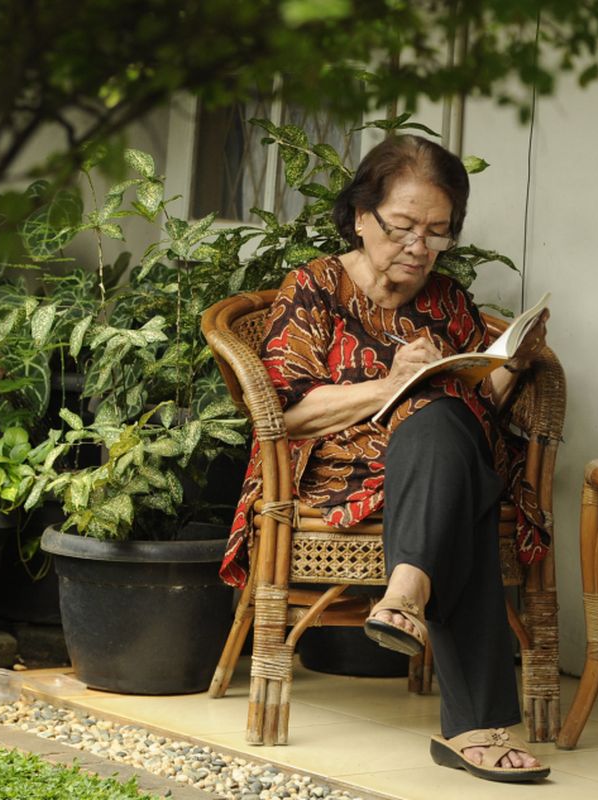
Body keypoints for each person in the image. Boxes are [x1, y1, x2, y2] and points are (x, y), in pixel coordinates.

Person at [220, 134, 551, 783]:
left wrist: (512, 364)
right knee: (461, 472)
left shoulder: (448, 300)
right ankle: (476, 727)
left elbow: (481, 403)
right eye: (402, 227)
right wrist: (392, 384)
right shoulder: (315, 287)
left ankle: (405, 592)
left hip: (442, 458)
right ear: (361, 217)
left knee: (446, 427)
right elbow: (284, 412)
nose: (418, 248)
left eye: (437, 231)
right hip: (341, 470)